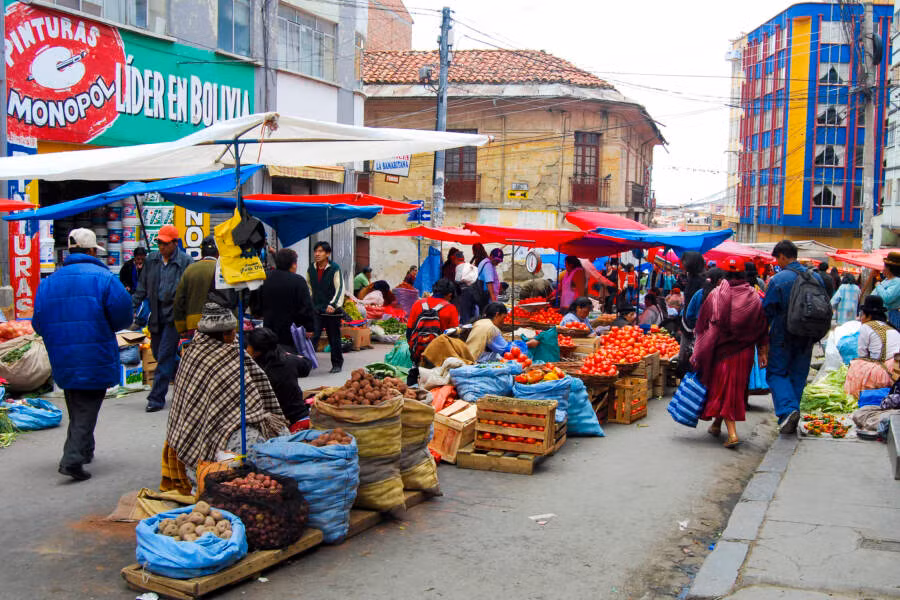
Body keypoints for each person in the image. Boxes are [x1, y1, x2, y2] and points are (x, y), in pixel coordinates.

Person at [33, 229, 132, 481]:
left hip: (63, 355)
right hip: (94, 353)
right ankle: (72, 459)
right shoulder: (105, 279)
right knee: (87, 406)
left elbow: (37, 323)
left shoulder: (49, 282)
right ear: (90, 251)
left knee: (77, 402)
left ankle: (85, 449)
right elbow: (123, 317)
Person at [163, 304, 288, 490]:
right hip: (221, 431)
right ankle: (227, 480)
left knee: (276, 437)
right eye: (232, 332)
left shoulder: (193, 351)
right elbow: (251, 402)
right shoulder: (224, 355)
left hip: (215, 426)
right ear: (223, 334)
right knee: (254, 445)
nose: (235, 336)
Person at [691, 261, 768, 448]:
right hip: (745, 352)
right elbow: (762, 326)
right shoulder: (754, 297)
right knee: (734, 389)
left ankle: (732, 434)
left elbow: (704, 325)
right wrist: (763, 351)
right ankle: (717, 424)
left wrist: (699, 350)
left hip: (722, 352)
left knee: (724, 389)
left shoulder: (717, 295)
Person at [763, 240, 827, 435]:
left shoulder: (779, 279)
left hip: (783, 332)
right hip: (808, 334)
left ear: (783, 256)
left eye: (778, 259)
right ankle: (792, 412)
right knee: (798, 373)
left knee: (776, 372)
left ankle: (788, 411)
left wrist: (762, 341)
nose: (777, 263)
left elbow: (767, 311)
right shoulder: (816, 278)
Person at [133, 224, 193, 413]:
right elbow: (142, 288)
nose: (161, 247)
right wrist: (132, 307)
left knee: (165, 354)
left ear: (175, 243)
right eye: (159, 243)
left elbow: (187, 292)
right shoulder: (152, 261)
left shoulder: (185, 262)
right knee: (160, 354)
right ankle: (184, 379)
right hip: (156, 314)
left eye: (165, 244)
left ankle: (156, 399)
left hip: (175, 316)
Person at [247, 327, 312, 427]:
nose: (247, 349)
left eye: (249, 346)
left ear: (257, 351)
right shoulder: (288, 359)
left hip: (275, 422)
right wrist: (292, 356)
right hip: (300, 416)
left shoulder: (254, 370)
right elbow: (306, 366)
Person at [254, 248, 315, 353]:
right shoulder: (298, 281)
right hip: (292, 330)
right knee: (289, 357)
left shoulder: (264, 278)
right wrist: (309, 327)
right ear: (293, 264)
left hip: (269, 327)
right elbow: (306, 306)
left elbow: (256, 301)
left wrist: (258, 313)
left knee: (271, 353)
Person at [174, 235, 236, 337]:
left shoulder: (190, 270)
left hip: (194, 325)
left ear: (202, 253)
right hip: (221, 325)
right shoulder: (224, 270)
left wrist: (181, 327)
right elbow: (232, 299)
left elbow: (179, 300)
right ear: (218, 252)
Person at [843, 295, 900, 400]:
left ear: (868, 316)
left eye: (862, 315)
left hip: (888, 372)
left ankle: (857, 396)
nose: (861, 318)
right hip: (897, 368)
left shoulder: (866, 326)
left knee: (856, 365)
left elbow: (862, 355)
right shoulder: (891, 327)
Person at [307, 241, 344, 374]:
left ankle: (337, 364)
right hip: (316, 308)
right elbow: (310, 287)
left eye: (321, 251)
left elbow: (340, 288)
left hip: (331, 310)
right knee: (314, 336)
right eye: (316, 251)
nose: (317, 254)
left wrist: (333, 305)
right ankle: (307, 363)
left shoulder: (334, 268)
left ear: (328, 254)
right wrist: (310, 304)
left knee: (334, 337)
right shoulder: (311, 269)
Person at [465, 302, 537, 362]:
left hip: (468, 355)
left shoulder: (480, 322)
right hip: (475, 359)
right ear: (497, 314)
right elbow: (505, 349)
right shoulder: (491, 328)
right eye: (503, 317)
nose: (504, 321)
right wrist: (527, 344)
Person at [872, 252, 900, 329]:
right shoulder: (886, 280)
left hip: (889, 318)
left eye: (885, 266)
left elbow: (887, 298)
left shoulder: (898, 282)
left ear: (890, 268)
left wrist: (878, 285)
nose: (883, 269)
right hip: (879, 317)